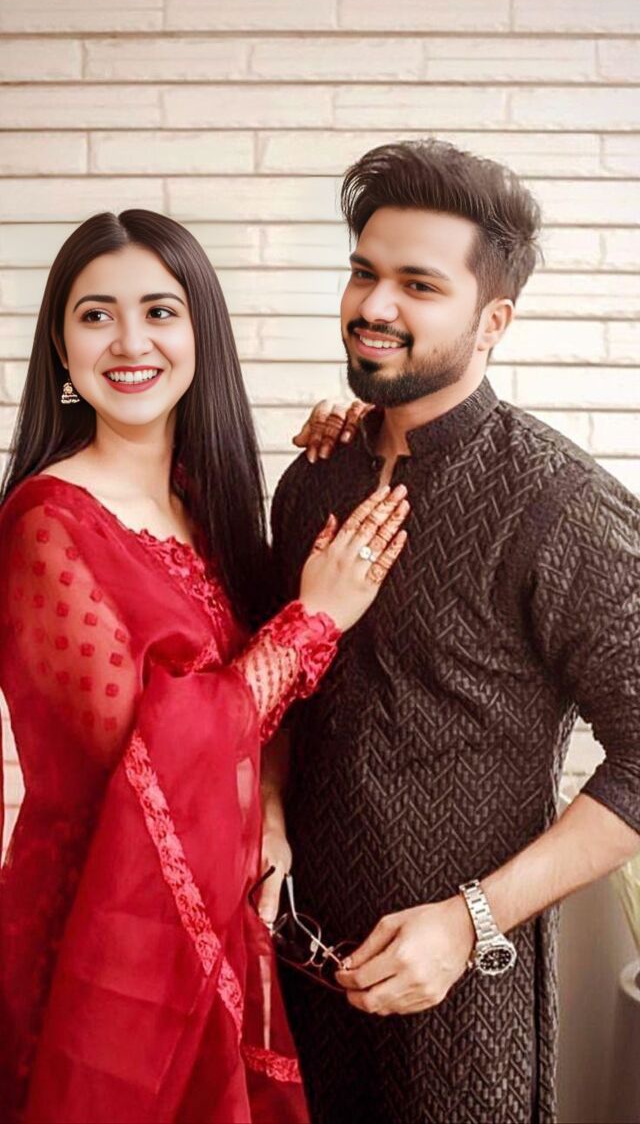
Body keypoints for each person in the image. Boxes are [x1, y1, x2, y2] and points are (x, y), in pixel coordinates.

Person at [0, 208, 410, 1124]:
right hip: (100, 938)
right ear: (60, 347)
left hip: (214, 919)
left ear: (201, 334)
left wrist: (269, 804)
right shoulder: (45, 522)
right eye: (96, 315)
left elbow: (234, 713)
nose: (129, 341)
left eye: (160, 311)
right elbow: (141, 755)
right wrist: (314, 622)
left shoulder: (203, 502)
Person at [262, 140, 640, 1124]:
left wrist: (470, 923)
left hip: (462, 1010)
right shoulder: (311, 479)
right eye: (363, 272)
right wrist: (264, 816)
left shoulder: (560, 503)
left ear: (492, 319)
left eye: (418, 284)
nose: (374, 305)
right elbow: (282, 692)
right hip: (291, 980)